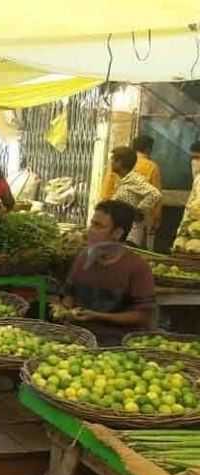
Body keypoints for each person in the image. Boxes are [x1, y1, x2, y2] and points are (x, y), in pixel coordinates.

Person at [57, 200, 155, 345]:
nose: (90, 230)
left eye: (98, 226)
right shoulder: (83, 258)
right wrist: (63, 311)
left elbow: (142, 315)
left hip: (117, 342)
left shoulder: (137, 267)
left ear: (117, 233)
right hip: (78, 337)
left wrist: (98, 316)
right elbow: (69, 296)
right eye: (92, 223)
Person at [101, 136, 164, 233]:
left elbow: (106, 190)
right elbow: (157, 195)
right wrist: (155, 216)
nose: (111, 162)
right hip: (125, 221)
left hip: (129, 225)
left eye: (113, 160)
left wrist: (138, 211)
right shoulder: (151, 166)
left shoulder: (128, 171)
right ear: (148, 149)